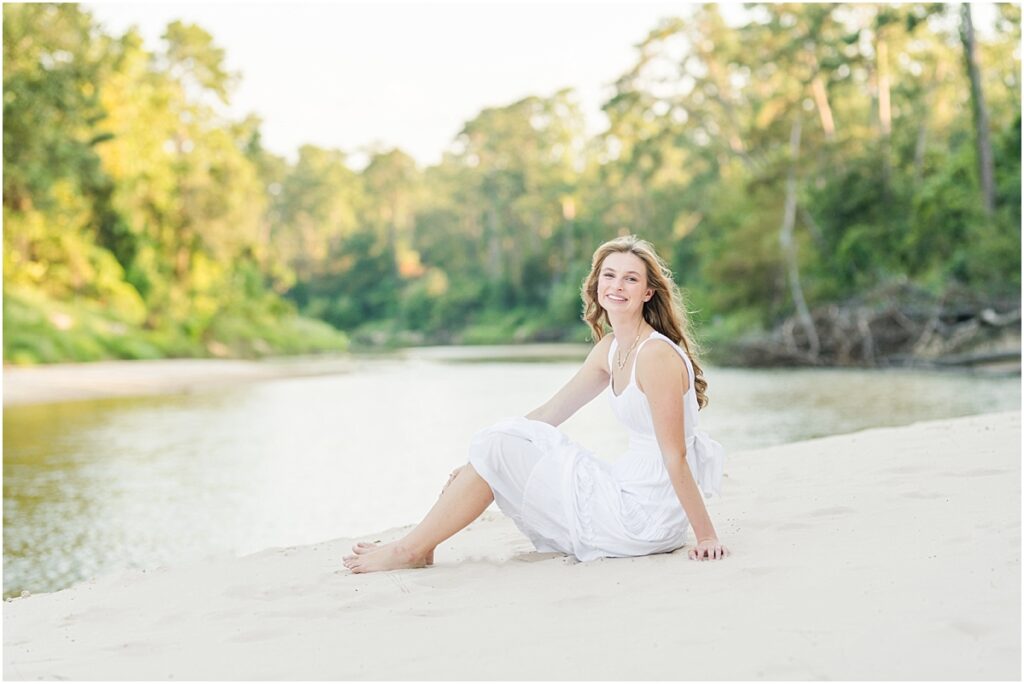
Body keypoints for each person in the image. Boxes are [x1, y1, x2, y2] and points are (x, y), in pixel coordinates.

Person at [343, 235, 729, 573]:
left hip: (646, 514)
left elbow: (675, 455)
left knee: (499, 446)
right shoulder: (610, 349)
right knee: (497, 443)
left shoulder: (655, 356)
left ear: (647, 292)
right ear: (596, 286)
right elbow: (549, 415)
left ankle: (411, 549)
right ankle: (419, 547)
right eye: (609, 275)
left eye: (631, 278)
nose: (617, 285)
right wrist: (477, 462)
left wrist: (706, 535)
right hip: (627, 487)